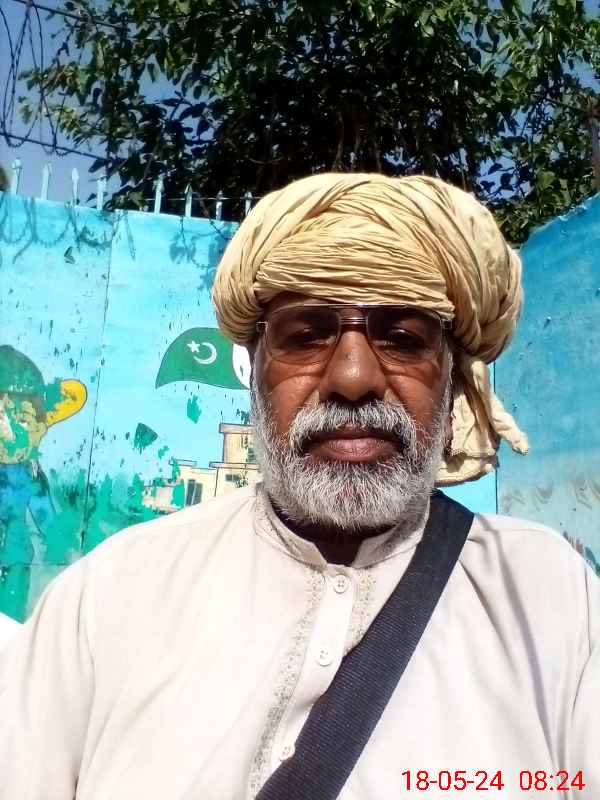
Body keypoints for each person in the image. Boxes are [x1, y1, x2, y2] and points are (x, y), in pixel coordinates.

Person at [0, 174, 597, 799]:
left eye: (402, 339)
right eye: (306, 335)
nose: (353, 378)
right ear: (254, 369)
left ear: (452, 383)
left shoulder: (547, 597)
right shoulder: (110, 596)